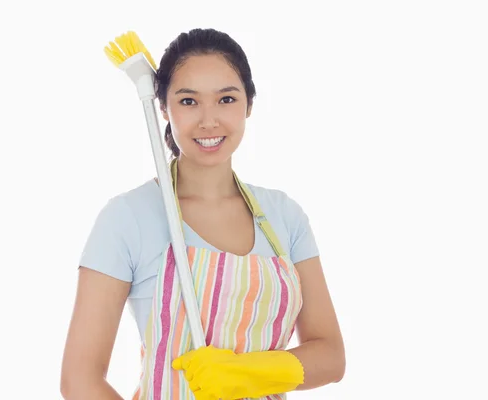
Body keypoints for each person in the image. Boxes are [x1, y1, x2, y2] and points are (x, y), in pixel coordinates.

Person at [61, 28, 346, 400]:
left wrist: (246, 373)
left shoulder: (284, 216)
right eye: (189, 101)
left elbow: (330, 355)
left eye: (226, 99)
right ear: (163, 108)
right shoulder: (127, 218)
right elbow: (79, 378)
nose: (209, 121)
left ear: (249, 105)